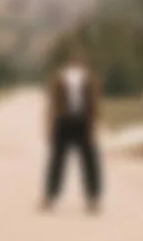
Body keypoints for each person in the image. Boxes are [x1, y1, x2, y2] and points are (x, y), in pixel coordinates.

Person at [41, 49, 102, 213]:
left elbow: (93, 104)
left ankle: (92, 199)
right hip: (65, 120)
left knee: (88, 161)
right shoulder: (60, 79)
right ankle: (50, 197)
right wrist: (49, 125)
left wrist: (93, 125)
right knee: (58, 160)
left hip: (81, 120)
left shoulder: (88, 79)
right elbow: (52, 104)